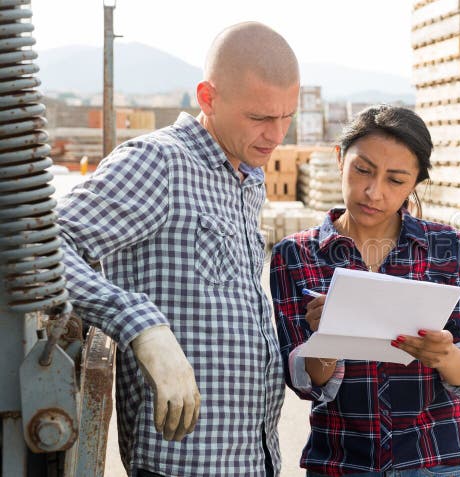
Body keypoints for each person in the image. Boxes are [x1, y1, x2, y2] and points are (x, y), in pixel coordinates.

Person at [56, 22, 298, 477]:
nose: (277, 134)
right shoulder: (159, 162)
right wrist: (140, 326)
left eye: (287, 116)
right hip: (183, 464)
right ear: (208, 98)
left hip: (250, 459)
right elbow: (44, 244)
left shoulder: (247, 177)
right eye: (260, 117)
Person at [270, 105, 460, 477]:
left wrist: (444, 356)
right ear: (340, 159)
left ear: (414, 184)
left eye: (395, 180)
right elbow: (305, 383)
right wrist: (327, 340)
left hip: (435, 459)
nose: (374, 192)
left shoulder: (446, 245)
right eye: (363, 170)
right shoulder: (294, 255)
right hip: (342, 462)